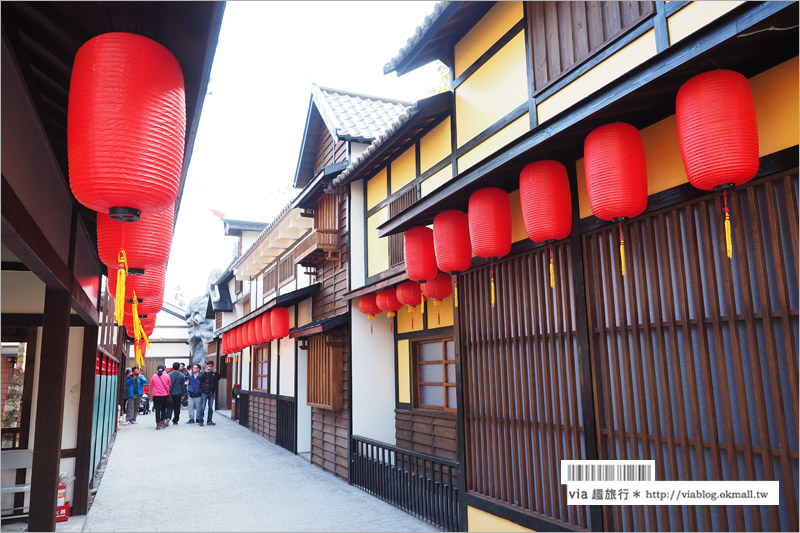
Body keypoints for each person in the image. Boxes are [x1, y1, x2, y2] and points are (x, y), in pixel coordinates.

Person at [197, 360, 220, 426]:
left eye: (211, 366)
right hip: (204, 392)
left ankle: (209, 421)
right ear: (206, 366)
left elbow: (218, 378)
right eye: (208, 366)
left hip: (211, 392)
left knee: (210, 407)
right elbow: (199, 378)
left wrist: (216, 373)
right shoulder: (203, 372)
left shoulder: (213, 373)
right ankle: (201, 421)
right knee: (203, 407)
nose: (210, 368)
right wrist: (205, 372)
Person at [149, 364, 172, 430]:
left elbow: (151, 384)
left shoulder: (154, 376)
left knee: (157, 410)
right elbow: (169, 384)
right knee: (163, 409)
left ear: (157, 369)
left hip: (156, 395)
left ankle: (158, 423)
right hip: (165, 395)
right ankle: (162, 422)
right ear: (164, 370)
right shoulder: (167, 376)